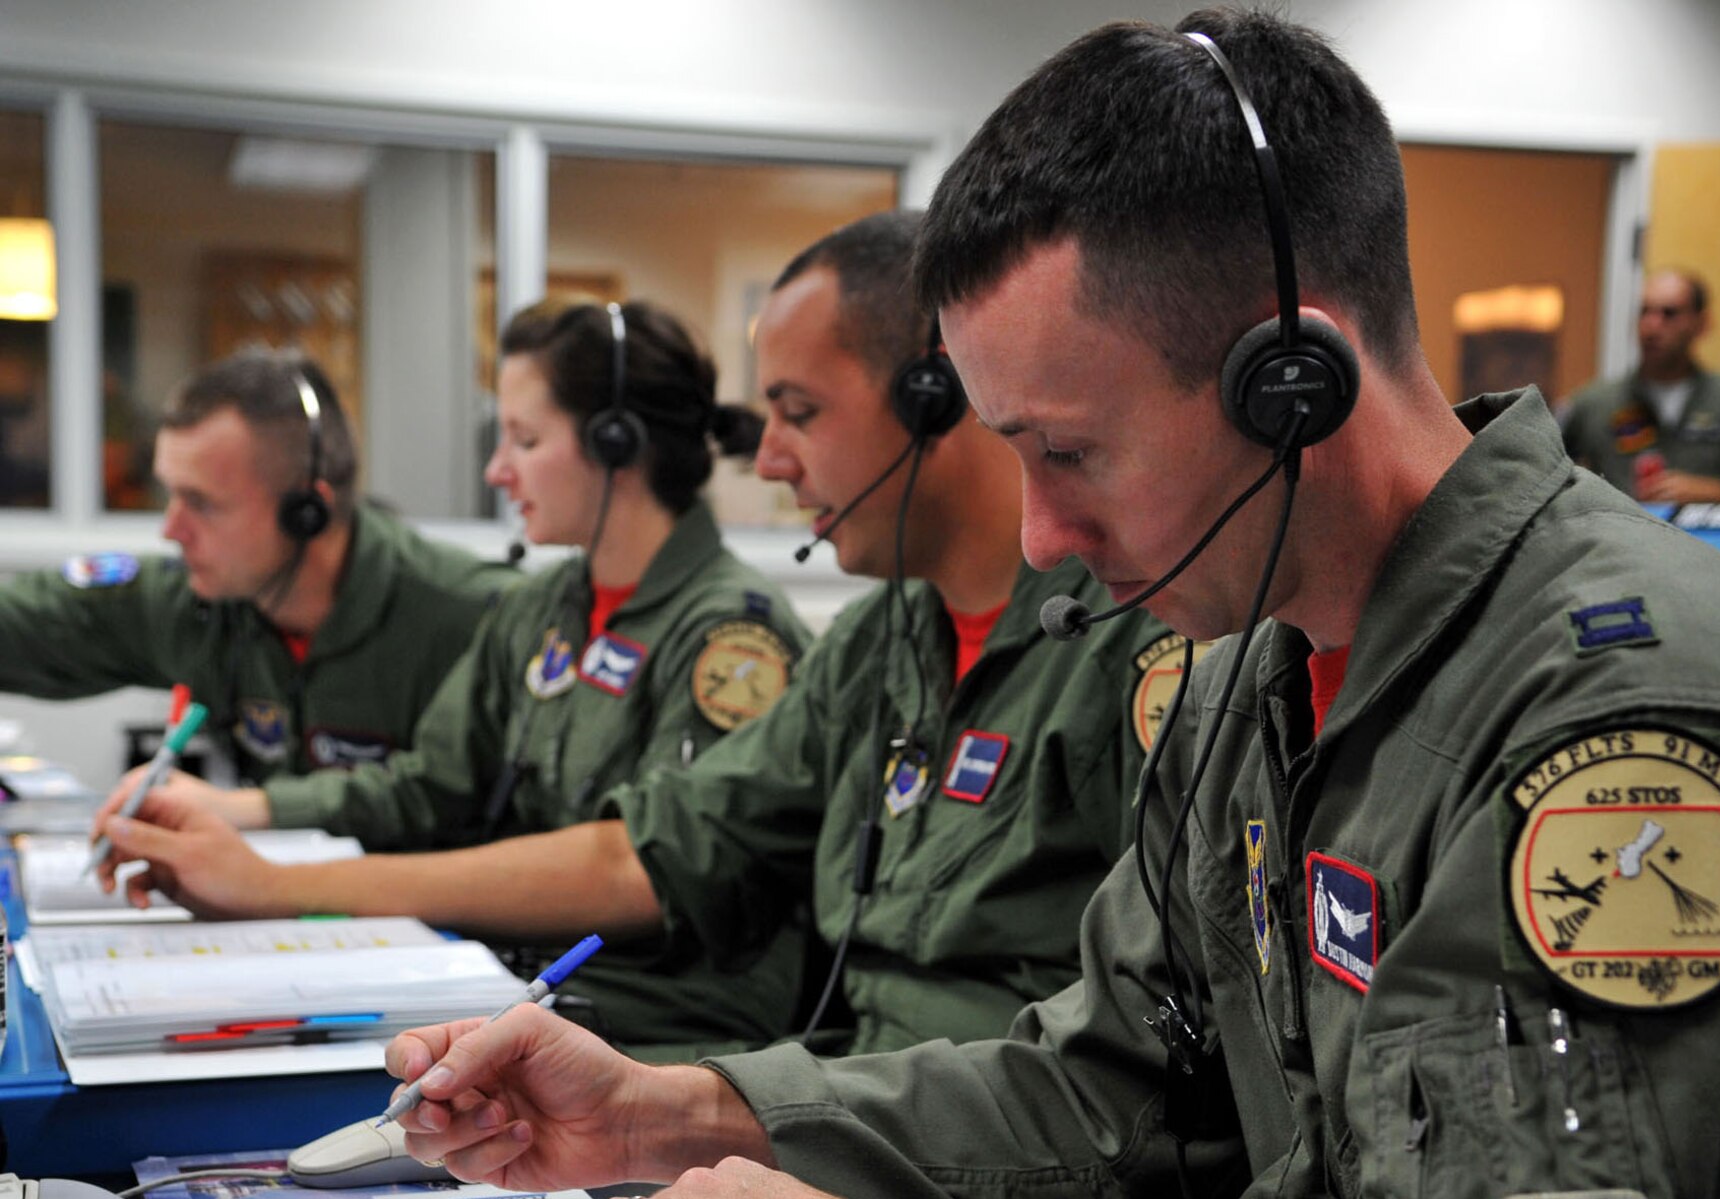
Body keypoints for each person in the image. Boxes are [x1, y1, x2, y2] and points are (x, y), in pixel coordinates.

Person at [361, 11, 1720, 1199]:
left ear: (1293, 382)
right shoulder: (1246, 670)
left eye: (1070, 456)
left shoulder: (1615, 749)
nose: (1051, 540)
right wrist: (687, 1112)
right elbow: (1112, 1073)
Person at [99, 210, 1184, 1058]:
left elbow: (1139, 1060)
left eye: (798, 413)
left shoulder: (1133, 650)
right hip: (849, 1101)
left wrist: (277, 879)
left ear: (936, 398)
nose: (765, 459)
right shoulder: (876, 644)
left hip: (909, 1140)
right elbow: (637, 840)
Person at [99, 300, 815, 1042]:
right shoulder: (543, 608)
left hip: (661, 1032)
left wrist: (274, 886)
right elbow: (426, 786)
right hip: (522, 986)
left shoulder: (734, 640)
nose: (497, 469)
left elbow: (629, 872)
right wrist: (242, 810)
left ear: (616, 444)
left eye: (525, 439)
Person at [0, 350, 515, 778]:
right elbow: (34, 620)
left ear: (305, 513)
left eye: (201, 504)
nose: (171, 529)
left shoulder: (472, 618)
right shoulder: (204, 602)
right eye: (170, 496)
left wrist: (254, 814)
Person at [1558, 268, 1720, 503]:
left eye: (1669, 313)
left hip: (1709, 539)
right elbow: (1547, 479)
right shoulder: (1595, 404)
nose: (1652, 326)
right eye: (1644, 312)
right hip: (1618, 539)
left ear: (1702, 324)